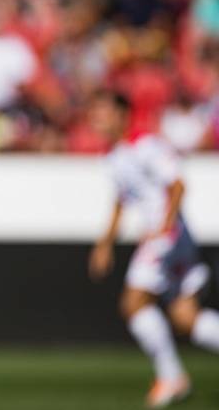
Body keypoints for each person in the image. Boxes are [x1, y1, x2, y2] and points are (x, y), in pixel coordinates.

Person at [89, 91, 219, 408]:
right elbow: (122, 200)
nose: (97, 119)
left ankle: (172, 377)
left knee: (133, 303)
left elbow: (177, 184)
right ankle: (172, 377)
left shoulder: (145, 145)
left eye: (103, 111)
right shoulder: (116, 155)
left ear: (122, 114)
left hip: (166, 237)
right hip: (168, 237)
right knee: (185, 317)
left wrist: (165, 225)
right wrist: (105, 243)